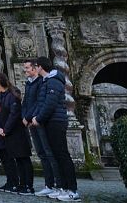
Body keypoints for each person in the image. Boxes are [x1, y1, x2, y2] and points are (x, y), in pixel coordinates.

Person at [32, 56, 80, 202]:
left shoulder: (53, 81)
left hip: (56, 122)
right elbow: (42, 103)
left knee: (62, 155)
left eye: (36, 66)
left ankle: (72, 190)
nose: (35, 69)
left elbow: (50, 104)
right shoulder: (47, 81)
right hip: (50, 122)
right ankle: (63, 188)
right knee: (56, 155)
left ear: (40, 67)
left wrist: (38, 118)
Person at [0, 72, 34, 195]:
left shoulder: (12, 95)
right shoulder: (1, 96)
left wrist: (5, 129)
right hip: (7, 132)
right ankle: (21, 183)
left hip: (17, 131)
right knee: (17, 159)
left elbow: (14, 114)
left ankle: (28, 185)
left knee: (23, 158)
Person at [23, 60, 60, 197]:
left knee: (49, 153)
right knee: (41, 153)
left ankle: (57, 184)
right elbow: (25, 102)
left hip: (39, 120)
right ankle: (48, 184)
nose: (25, 70)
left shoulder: (41, 82)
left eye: (27, 67)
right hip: (31, 121)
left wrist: (30, 117)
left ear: (35, 68)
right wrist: (24, 117)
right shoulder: (28, 83)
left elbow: (39, 102)